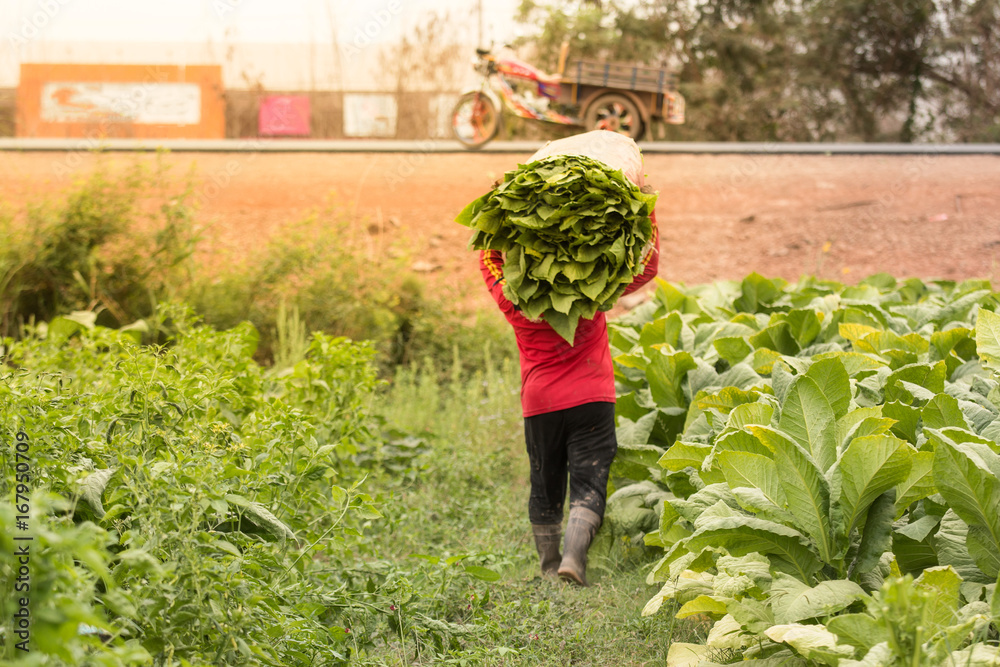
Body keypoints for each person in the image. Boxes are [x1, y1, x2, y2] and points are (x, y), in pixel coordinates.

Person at [479, 211, 660, 585]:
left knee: (545, 484)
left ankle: (548, 568)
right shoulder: (592, 287)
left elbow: (488, 259)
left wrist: (496, 218)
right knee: (589, 482)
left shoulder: (515, 299)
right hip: (592, 396)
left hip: (541, 402)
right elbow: (646, 264)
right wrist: (646, 211)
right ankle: (574, 559)